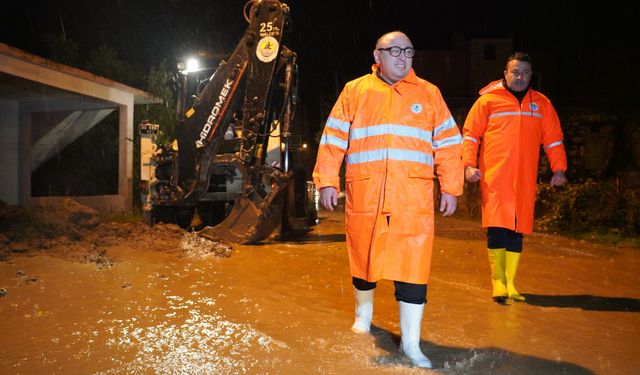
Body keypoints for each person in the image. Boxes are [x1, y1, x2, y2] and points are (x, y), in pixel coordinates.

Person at [312, 31, 463, 368]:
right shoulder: (355, 90)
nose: (402, 56)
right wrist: (326, 180)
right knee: (365, 257)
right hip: (367, 192)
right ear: (377, 55)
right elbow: (333, 138)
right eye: (393, 50)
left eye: (408, 51)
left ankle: (411, 344)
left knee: (413, 266)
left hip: (413, 197)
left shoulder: (429, 94)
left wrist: (451, 186)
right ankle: (363, 317)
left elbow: (451, 144)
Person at [462, 52, 568, 304]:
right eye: (515, 72)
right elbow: (470, 135)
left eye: (526, 73)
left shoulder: (541, 104)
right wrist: (468, 165)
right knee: (498, 226)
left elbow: (553, 139)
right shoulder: (488, 101)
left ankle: (511, 283)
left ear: (532, 75)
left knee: (517, 230)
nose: (520, 77)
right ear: (505, 74)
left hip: (525, 178)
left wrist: (559, 169)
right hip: (495, 177)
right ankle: (497, 281)